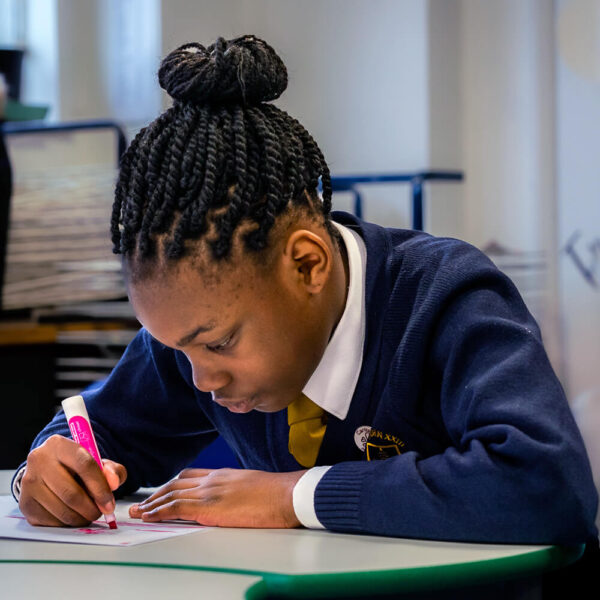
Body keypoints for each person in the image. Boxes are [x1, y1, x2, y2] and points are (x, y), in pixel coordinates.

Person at [13, 35, 597, 545]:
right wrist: (47, 472)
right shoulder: (194, 332)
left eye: (217, 345)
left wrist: (293, 497)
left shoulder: (446, 300)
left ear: (308, 265)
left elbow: (545, 482)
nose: (201, 381)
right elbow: (95, 431)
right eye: (177, 349)